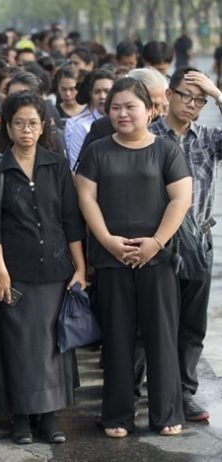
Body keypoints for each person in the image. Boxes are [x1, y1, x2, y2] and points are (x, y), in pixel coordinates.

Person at [76, 77, 192, 438]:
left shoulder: (167, 150)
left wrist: (155, 242)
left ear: (150, 110)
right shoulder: (97, 151)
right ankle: (117, 415)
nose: (122, 114)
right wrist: (107, 241)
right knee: (117, 339)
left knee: (161, 338)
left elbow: (181, 199)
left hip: (157, 260)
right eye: (116, 107)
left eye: (130, 107)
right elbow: (86, 198)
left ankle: (166, 413)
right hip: (111, 260)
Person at [0, 91, 85, 444]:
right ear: (8, 127)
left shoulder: (56, 165)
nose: (26, 129)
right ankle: (21, 418)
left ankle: (49, 418)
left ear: (43, 127)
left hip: (55, 268)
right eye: (19, 123)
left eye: (32, 123)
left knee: (51, 346)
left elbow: (70, 220)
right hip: (14, 270)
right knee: (17, 346)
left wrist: (80, 267)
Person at [150, 67, 222, 422]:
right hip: (155, 241)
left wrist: (218, 94)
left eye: (200, 100)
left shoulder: (208, 138)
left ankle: (184, 392)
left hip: (198, 240)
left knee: (191, 325)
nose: (192, 104)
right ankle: (134, 391)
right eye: (186, 96)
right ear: (169, 95)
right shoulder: (148, 136)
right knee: (146, 322)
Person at [65, 69, 115, 169]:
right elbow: (76, 166)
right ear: (91, 95)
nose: (102, 96)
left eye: (107, 91)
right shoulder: (82, 126)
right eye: (97, 92)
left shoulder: (124, 122)